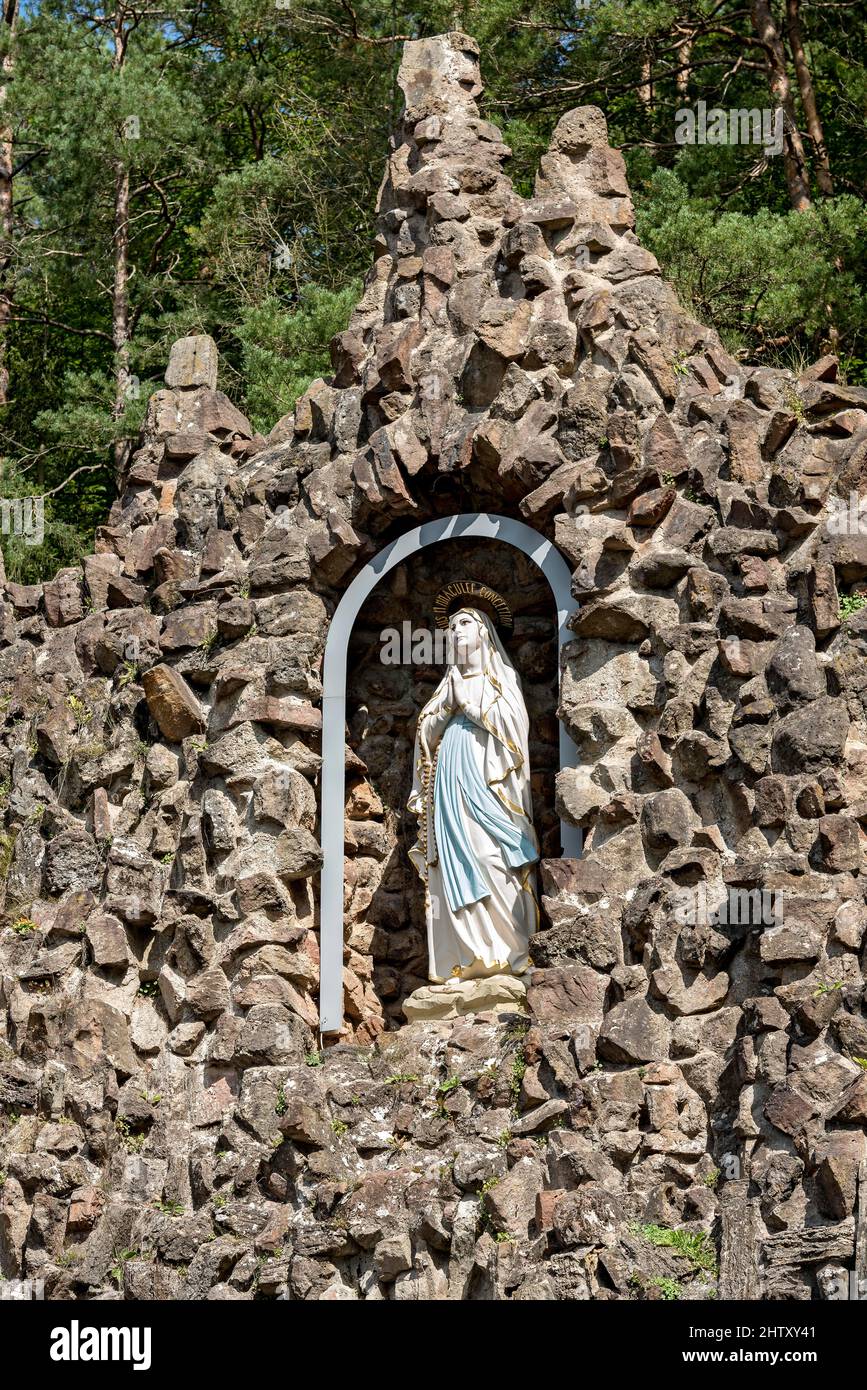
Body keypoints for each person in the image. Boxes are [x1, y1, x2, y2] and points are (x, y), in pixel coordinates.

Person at [408, 600, 539, 982]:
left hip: (489, 783)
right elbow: (425, 738)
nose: (456, 630)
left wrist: (469, 703)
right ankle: (463, 960)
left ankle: (509, 952)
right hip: (449, 784)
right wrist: (444, 709)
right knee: (451, 865)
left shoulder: (501, 679)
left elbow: (515, 728)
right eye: (451, 626)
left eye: (464, 622)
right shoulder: (445, 685)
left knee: (490, 856)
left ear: (484, 631)